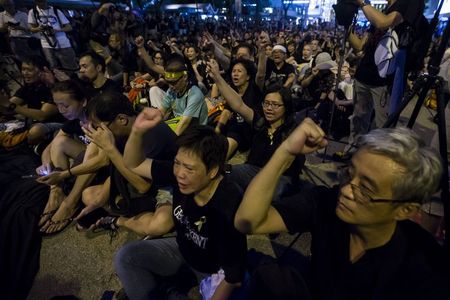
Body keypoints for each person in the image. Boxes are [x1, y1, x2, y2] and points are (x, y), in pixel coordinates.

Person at [235, 118, 450, 299]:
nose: (347, 190)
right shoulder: (328, 202)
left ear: (405, 209)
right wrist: (286, 152)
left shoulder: (425, 267)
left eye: (365, 189)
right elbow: (248, 221)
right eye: (349, 172)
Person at [114, 111, 247, 299]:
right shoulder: (177, 174)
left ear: (213, 170)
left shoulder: (228, 205)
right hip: (182, 250)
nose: (180, 174)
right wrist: (136, 132)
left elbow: (234, 276)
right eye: (177, 163)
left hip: (214, 270)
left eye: (190, 168)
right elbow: (133, 163)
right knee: (126, 257)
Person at [76, 92, 177, 226]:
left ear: (122, 119)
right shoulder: (126, 130)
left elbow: (143, 186)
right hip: (141, 182)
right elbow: (119, 171)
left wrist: (110, 149)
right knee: (88, 195)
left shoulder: (151, 135)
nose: (98, 132)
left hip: (165, 186)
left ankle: (119, 220)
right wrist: (98, 202)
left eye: (98, 126)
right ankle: (126, 211)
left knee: (160, 224)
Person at [207, 59, 304, 199]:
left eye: (275, 105)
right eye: (267, 104)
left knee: (273, 195)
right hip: (252, 171)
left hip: (280, 179)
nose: (269, 109)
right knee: (221, 171)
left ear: (286, 107)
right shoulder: (260, 122)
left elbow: (293, 165)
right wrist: (217, 76)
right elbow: (238, 105)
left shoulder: (293, 130)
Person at [346, 0, 424, 151]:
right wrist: (346, 25)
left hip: (386, 81)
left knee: (382, 127)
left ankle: (376, 161)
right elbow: (360, 46)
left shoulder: (410, 3)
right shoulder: (381, 11)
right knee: (358, 119)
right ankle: (352, 153)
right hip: (364, 75)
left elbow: (384, 23)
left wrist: (362, 3)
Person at [0, 55, 63, 145]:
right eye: (23, 69)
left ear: (42, 71)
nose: (25, 73)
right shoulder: (28, 87)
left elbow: (42, 115)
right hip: (33, 125)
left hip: (56, 124)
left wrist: (10, 105)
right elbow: (7, 108)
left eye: (29, 70)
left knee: (35, 131)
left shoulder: (53, 88)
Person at [159, 57, 208, 135]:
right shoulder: (171, 90)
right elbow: (161, 112)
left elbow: (184, 123)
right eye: (168, 82)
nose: (171, 86)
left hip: (195, 131)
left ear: (185, 77)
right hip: (179, 125)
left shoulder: (195, 94)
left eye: (174, 82)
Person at [28, 0, 78, 71]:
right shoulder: (33, 12)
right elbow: (31, 29)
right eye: (38, 1)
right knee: (53, 68)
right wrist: (38, 28)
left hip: (63, 43)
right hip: (46, 44)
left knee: (70, 67)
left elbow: (69, 27)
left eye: (42, 1)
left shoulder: (55, 10)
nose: (40, 3)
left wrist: (57, 30)